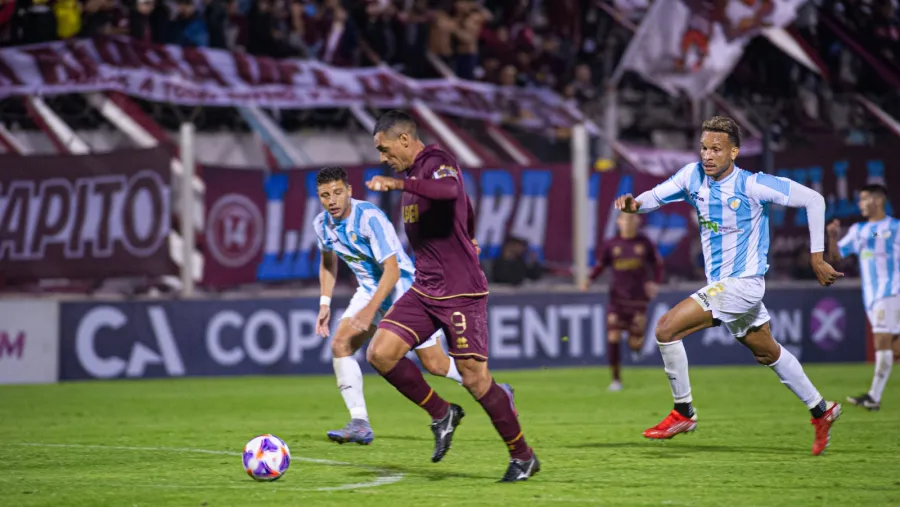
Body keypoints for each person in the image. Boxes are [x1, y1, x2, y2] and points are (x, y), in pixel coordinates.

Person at [614, 116, 843, 456]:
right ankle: (822, 409)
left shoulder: (753, 185)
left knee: (666, 329)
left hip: (744, 284)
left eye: (716, 149)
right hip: (724, 285)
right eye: (704, 148)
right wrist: (636, 205)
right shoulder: (692, 176)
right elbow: (656, 196)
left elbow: (814, 200)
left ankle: (683, 412)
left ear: (734, 152)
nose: (708, 155)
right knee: (767, 351)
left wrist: (816, 257)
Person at [363, 110, 539, 482]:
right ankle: (442, 413)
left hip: (460, 292)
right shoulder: (411, 176)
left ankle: (522, 456)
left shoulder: (437, 162)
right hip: (425, 288)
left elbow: (450, 192)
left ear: (405, 140)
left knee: (476, 380)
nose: (382, 157)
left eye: (384, 148)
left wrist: (397, 188)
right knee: (380, 353)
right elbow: (464, 207)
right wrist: (469, 232)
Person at [313, 166, 464, 445]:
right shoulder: (322, 224)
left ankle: (492, 389)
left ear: (349, 191)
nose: (331, 200)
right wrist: (325, 302)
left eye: (337, 192)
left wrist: (370, 310)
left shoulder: (369, 218)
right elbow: (328, 261)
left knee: (436, 364)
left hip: (403, 291)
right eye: (324, 195)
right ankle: (359, 422)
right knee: (340, 344)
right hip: (370, 290)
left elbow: (392, 270)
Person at [826, 184, 900, 411]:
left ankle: (873, 397)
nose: (859, 204)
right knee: (893, 346)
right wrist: (832, 237)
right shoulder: (858, 230)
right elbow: (836, 256)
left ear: (877, 201)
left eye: (863, 199)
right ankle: (873, 397)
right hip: (872, 296)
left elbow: (880, 233)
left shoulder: (895, 228)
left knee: (882, 341)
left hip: (890, 291)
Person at [581, 212, 662, 391]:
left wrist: (654, 283)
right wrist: (589, 279)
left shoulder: (644, 243)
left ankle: (636, 349)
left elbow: (657, 264)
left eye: (632, 218)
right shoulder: (612, 244)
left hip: (638, 299)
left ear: (638, 221)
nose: (628, 222)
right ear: (618, 222)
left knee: (635, 342)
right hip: (616, 299)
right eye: (625, 219)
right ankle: (616, 379)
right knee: (613, 336)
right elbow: (601, 264)